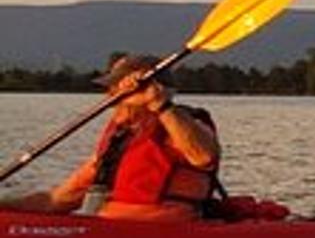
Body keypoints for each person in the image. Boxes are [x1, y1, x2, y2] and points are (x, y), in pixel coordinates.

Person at [0, 54, 221, 223]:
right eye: (110, 89)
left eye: (116, 89)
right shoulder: (120, 139)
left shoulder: (183, 125)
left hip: (158, 236)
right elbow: (54, 201)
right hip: (104, 231)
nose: (109, 96)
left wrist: (159, 104)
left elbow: (204, 157)